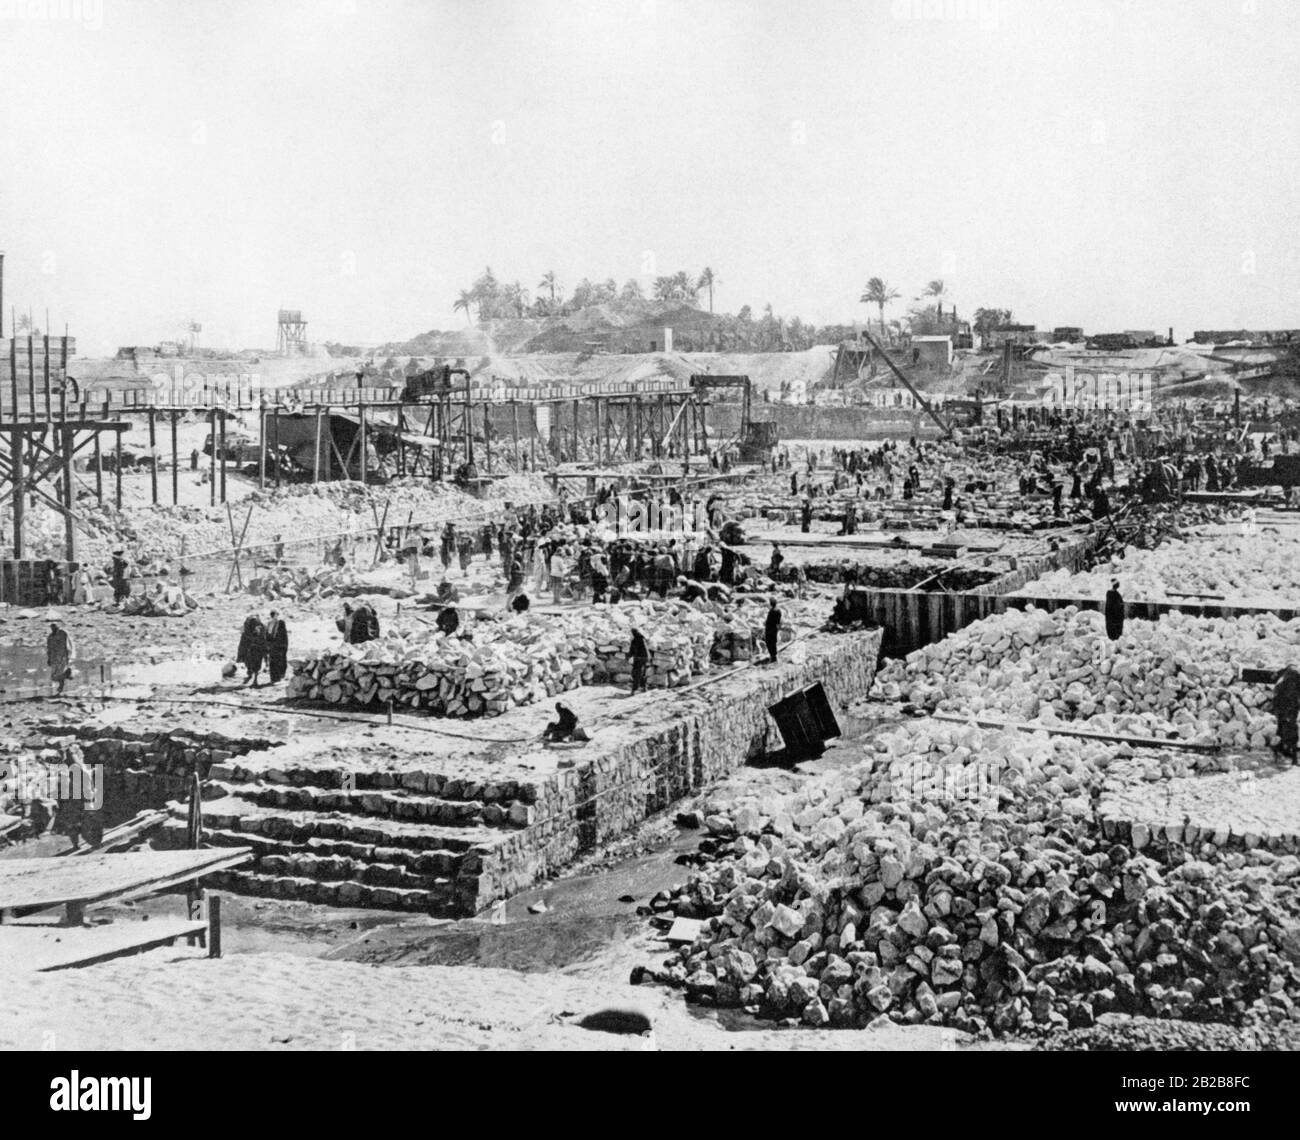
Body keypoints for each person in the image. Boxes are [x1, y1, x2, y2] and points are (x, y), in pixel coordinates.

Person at [1274, 665, 1299, 762]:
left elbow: (1274, 676)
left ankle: (1280, 748)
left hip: (1278, 701)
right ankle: (1294, 757)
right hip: (1287, 702)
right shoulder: (1295, 677)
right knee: (1291, 727)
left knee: (1281, 725)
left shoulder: (1284, 672)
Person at [237, 612, 267, 686]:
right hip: (251, 649)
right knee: (250, 663)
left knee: (256, 664)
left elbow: (263, 639)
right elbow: (243, 640)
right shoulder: (248, 629)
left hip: (256, 649)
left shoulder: (261, 627)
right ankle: (251, 676)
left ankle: (255, 679)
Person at [46, 620, 74, 696]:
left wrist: (69, 655)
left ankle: (61, 686)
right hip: (54, 657)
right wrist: (49, 658)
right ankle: (66, 675)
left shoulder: (63, 634)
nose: (53, 629)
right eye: (52, 628)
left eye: (55, 627)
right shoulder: (50, 637)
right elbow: (49, 648)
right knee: (54, 676)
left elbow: (68, 644)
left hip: (62, 656)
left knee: (60, 672)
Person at [265, 610, 289, 683]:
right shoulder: (269, 624)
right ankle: (274, 678)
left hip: (279, 646)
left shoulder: (280, 623)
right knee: (273, 662)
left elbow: (283, 635)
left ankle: (278, 677)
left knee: (278, 661)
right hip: (273, 646)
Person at [1104, 579, 1125, 644]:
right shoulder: (1115, 594)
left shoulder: (1110, 593)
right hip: (1115, 617)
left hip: (1112, 617)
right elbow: (1117, 605)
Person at [629, 627, 649, 694]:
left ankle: (634, 690)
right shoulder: (641, 639)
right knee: (641, 673)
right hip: (642, 659)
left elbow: (633, 650)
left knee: (636, 674)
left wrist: (630, 656)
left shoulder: (637, 640)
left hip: (640, 659)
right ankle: (644, 687)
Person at [764, 597, 782, 664]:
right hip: (774, 628)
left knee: (769, 642)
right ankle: (774, 656)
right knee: (773, 642)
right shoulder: (778, 610)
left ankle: (773, 657)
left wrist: (765, 624)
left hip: (770, 629)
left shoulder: (772, 611)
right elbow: (778, 621)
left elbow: (769, 620)